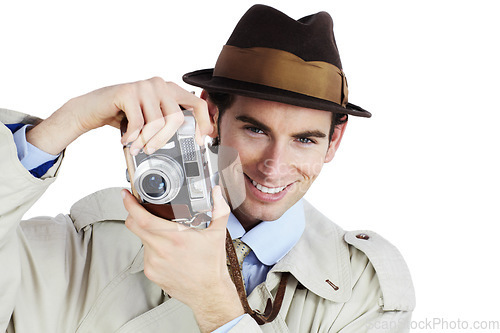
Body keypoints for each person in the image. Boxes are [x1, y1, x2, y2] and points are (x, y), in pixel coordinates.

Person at [0, 4, 415, 333]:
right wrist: (65, 123)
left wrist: (214, 303)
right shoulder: (89, 245)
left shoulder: (365, 290)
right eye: (255, 130)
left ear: (334, 142)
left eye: (305, 139)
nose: (274, 166)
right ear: (212, 116)